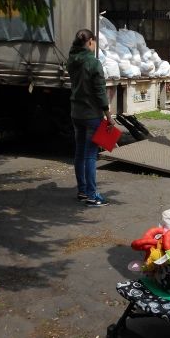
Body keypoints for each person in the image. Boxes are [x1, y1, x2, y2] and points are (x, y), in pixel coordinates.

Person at [67, 29, 115, 207]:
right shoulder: (93, 63)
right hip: (91, 114)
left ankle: (82, 191)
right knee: (90, 156)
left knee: (80, 153)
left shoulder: (72, 60)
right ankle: (92, 195)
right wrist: (108, 116)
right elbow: (100, 92)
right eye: (94, 42)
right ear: (90, 42)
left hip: (76, 113)